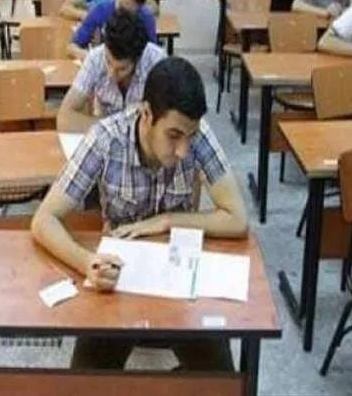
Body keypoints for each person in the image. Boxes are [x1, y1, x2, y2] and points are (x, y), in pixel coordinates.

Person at [31, 57, 248, 371]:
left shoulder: (194, 133)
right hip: (117, 280)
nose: (184, 149)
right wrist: (86, 263)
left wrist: (166, 221)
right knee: (85, 382)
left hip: (178, 277)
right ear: (146, 114)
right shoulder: (106, 139)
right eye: (173, 136)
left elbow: (237, 218)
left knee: (222, 382)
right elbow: (43, 220)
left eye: (190, 136)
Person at [57, 9, 165, 133]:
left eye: (122, 69)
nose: (111, 74)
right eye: (108, 62)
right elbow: (64, 119)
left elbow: (164, 122)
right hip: (106, 135)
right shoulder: (95, 58)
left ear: (138, 58)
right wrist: (115, 127)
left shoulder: (157, 62)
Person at [68, 0, 156, 61]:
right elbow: (72, 47)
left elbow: (153, 54)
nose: (124, 14)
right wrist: (89, 57)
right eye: (123, 6)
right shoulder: (100, 10)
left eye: (131, 11)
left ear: (140, 6)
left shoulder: (146, 18)